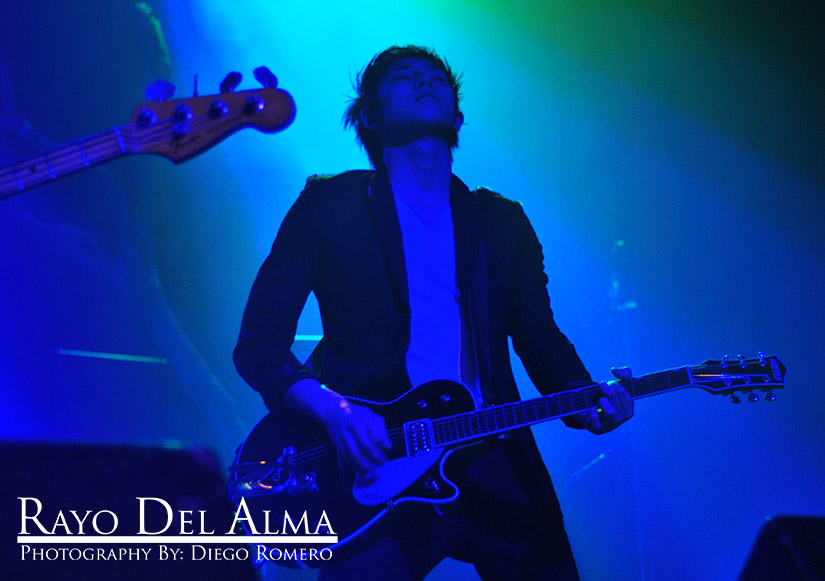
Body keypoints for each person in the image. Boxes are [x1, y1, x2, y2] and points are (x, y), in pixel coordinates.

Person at [233, 45, 634, 580]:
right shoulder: (330, 206)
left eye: (437, 77)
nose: (425, 81)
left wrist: (585, 401)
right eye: (404, 77)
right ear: (369, 116)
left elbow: (538, 334)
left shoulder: (500, 220)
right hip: (376, 458)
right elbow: (259, 342)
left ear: (458, 117)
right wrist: (335, 412)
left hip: (492, 451)